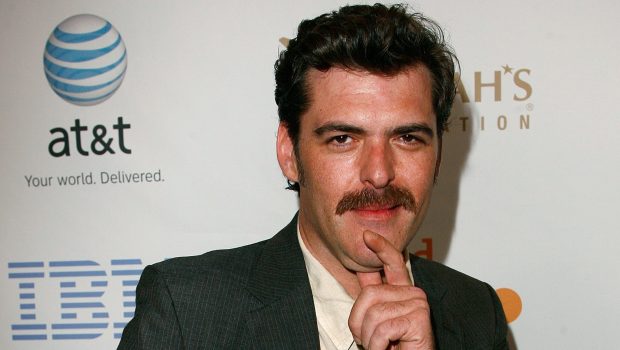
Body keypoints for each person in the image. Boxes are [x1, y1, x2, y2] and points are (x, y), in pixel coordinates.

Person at [118, 3, 508, 349]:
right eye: (343, 138)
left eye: (407, 138)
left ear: (438, 156)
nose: (379, 173)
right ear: (290, 153)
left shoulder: (474, 311)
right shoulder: (188, 311)